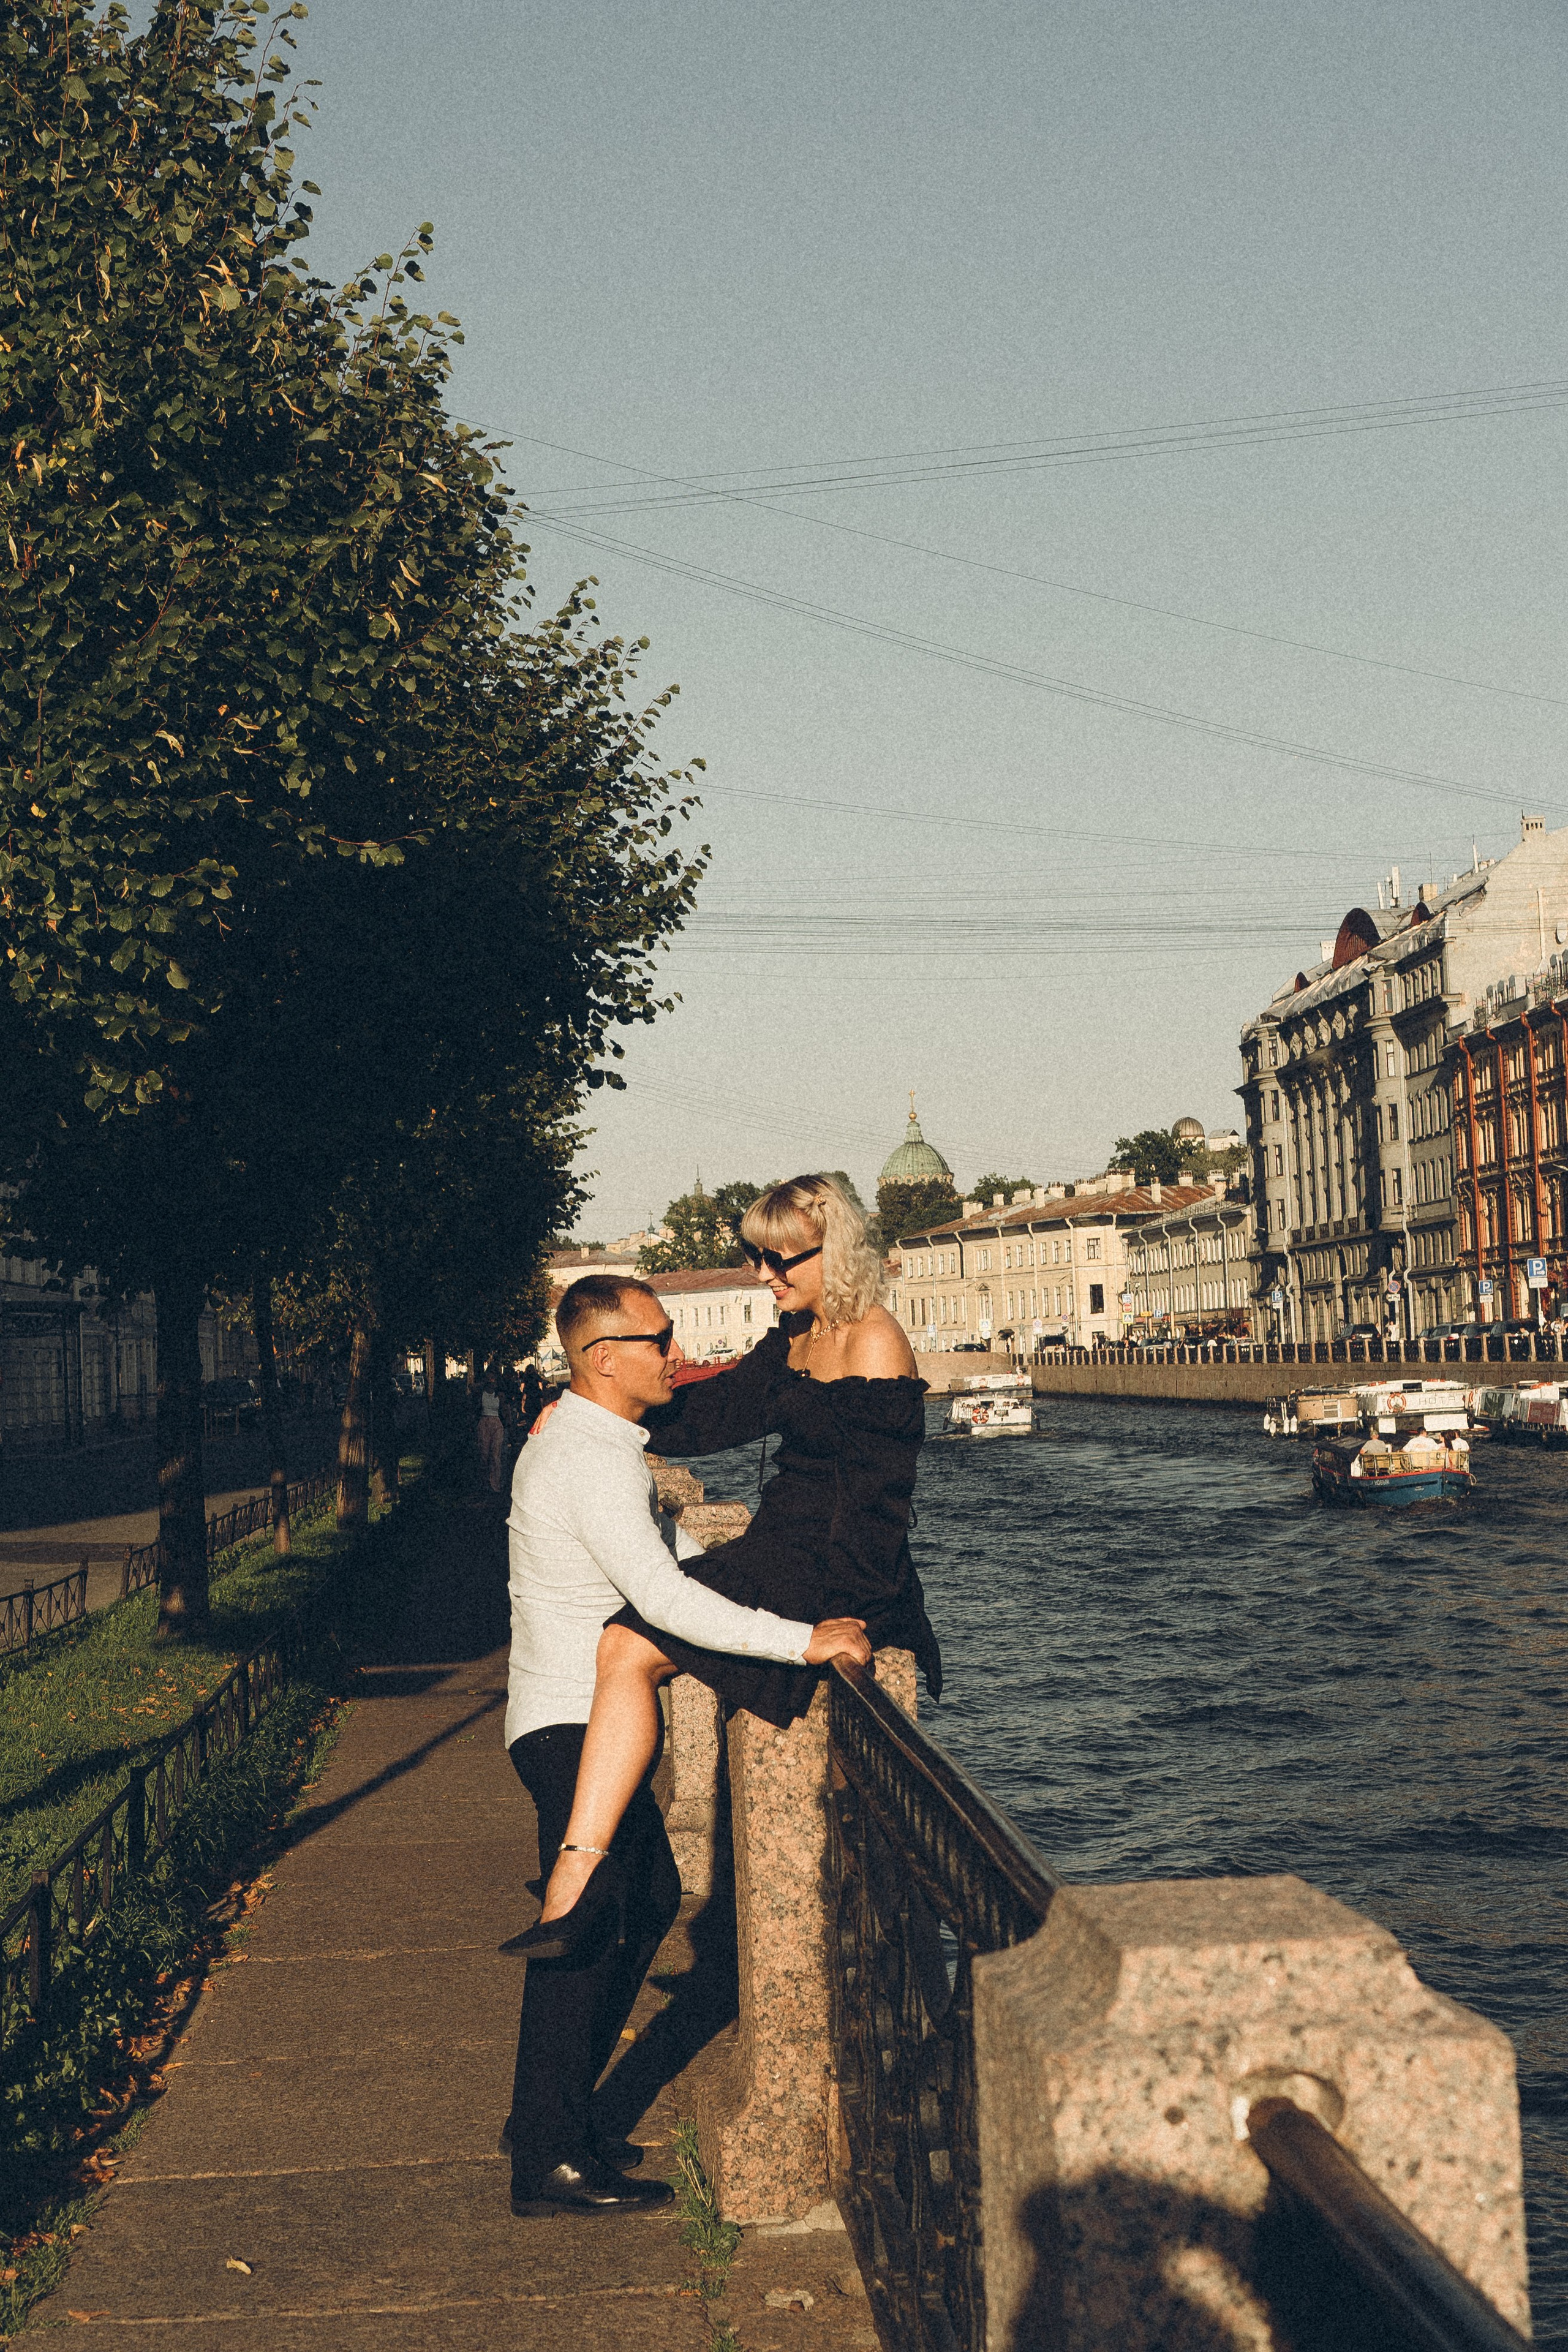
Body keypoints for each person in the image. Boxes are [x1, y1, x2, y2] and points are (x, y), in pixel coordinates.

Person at [501, 1270, 873, 2217]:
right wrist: (803, 1640)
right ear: (600, 1358)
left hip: (569, 1714)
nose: (674, 1355)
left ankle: (553, 2122)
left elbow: (658, 1579)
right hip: (567, 1721)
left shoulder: (592, 1439)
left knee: (646, 1895)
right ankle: (544, 2155)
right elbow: (664, 1603)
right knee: (582, 1925)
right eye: (657, 1340)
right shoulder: (588, 1458)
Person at [519, 1172, 940, 1952]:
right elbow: (710, 1416)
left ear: (835, 1251)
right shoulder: (794, 1339)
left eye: (783, 1261)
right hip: (777, 1546)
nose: (764, 1276)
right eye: (755, 1258)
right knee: (623, 1642)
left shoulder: (874, 1338)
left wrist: (846, 1613)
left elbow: (881, 1501)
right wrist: (591, 1405)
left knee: (626, 1645)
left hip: (830, 1567)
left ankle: (574, 1884)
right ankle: (577, 1883)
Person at [476, 1365, 506, 1493]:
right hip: (484, 1422)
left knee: (495, 1455)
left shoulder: (500, 1395)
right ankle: (484, 1483)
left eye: (494, 1378)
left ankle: (495, 1484)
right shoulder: (480, 1394)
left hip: (496, 1423)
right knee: (484, 1455)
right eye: (490, 1377)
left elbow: (505, 1411)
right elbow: (475, 1408)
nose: (492, 1380)